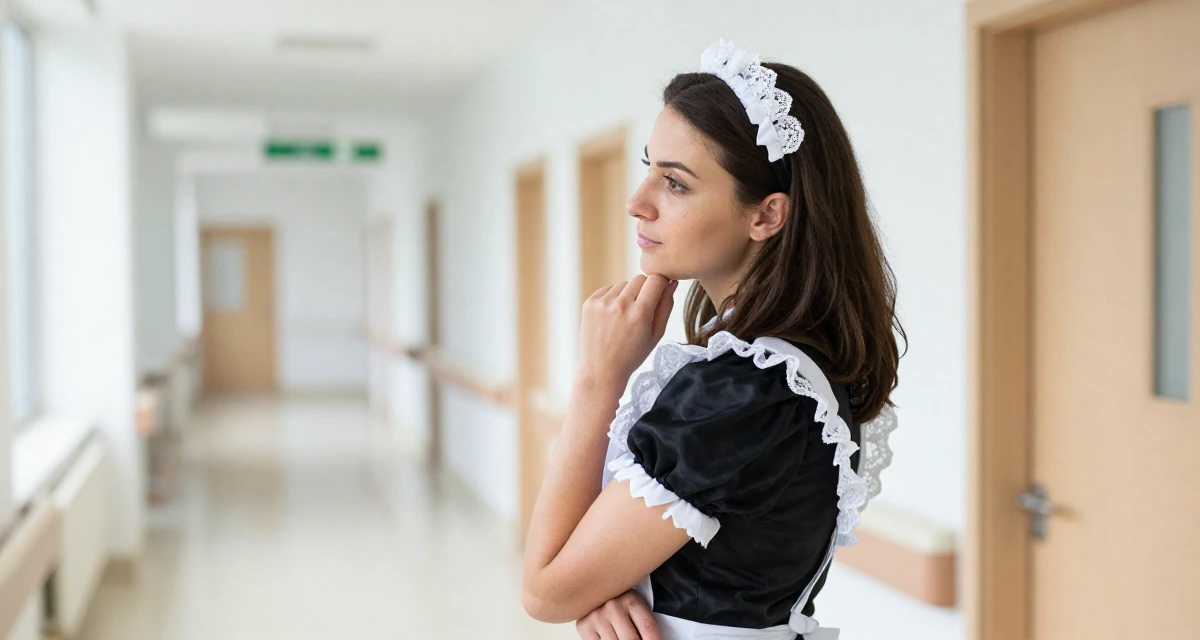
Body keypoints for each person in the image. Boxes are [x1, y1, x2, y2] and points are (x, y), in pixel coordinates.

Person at [521, 39, 902, 640]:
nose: (636, 203)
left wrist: (597, 378)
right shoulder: (788, 369)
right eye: (648, 167)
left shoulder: (745, 390)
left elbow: (544, 590)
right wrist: (603, 587)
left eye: (675, 183)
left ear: (766, 215)